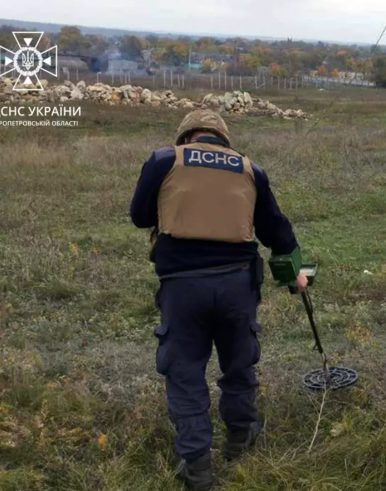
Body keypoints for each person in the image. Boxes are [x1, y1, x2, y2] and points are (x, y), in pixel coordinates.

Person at [129, 109, 308, 490]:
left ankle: (196, 464)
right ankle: (240, 438)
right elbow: (277, 229)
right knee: (239, 363)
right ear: (223, 139)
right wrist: (295, 273)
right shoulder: (250, 169)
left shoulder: (164, 160)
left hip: (182, 288)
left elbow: (140, 217)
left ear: (186, 136)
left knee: (185, 370)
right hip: (238, 287)